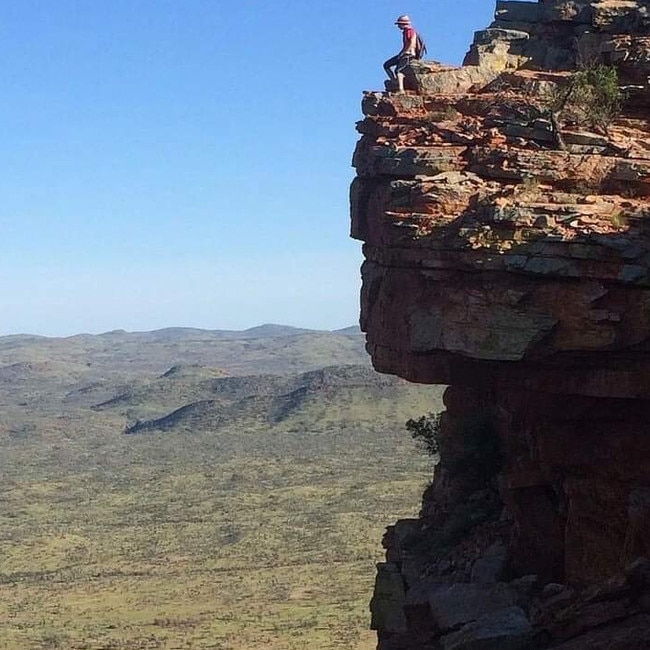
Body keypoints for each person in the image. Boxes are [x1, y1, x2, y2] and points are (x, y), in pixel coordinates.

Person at [383, 15, 418, 93]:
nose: (398, 26)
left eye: (399, 24)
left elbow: (412, 43)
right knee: (386, 65)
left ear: (403, 24)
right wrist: (401, 53)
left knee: (399, 71)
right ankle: (394, 82)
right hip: (404, 54)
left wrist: (405, 52)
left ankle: (401, 89)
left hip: (409, 55)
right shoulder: (406, 32)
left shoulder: (410, 31)